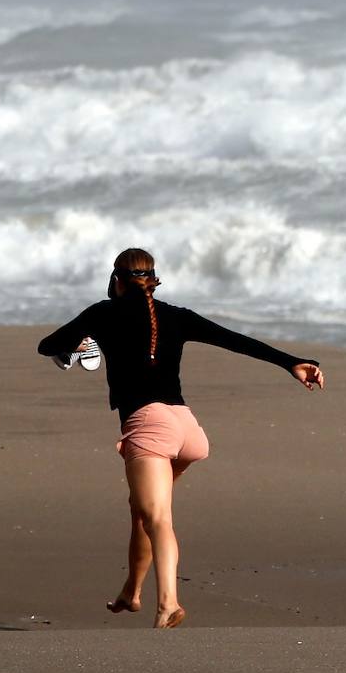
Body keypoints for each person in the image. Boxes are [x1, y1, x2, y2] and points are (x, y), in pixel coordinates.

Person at [38, 248, 324, 629]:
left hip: (150, 428)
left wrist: (76, 344)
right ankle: (132, 591)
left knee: (158, 518)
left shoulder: (102, 314)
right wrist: (291, 363)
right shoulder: (175, 316)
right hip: (187, 429)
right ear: (151, 280)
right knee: (141, 510)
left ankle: (169, 603)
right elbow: (235, 340)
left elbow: (47, 346)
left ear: (116, 280)